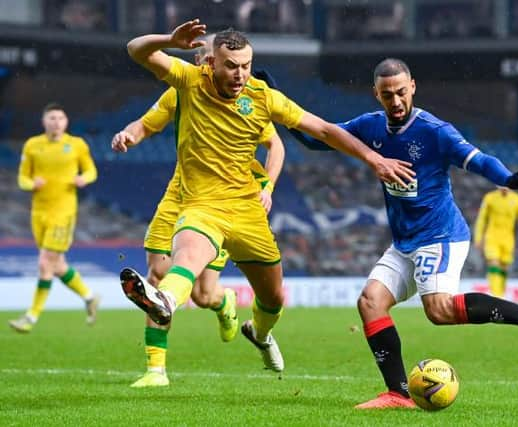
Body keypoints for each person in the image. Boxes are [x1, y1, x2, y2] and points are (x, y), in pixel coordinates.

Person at [120, 20, 413, 375]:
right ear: (210, 63)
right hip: (200, 205)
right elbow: (136, 49)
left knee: (273, 298)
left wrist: (373, 158)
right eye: (231, 65)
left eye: (245, 65)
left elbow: (322, 129)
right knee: (187, 256)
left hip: (247, 211)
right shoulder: (188, 80)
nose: (240, 73)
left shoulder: (262, 97)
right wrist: (169, 40)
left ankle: (259, 333)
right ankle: (163, 301)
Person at [292, 58, 518, 409]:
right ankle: (398, 394)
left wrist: (506, 179)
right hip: (405, 241)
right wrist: (279, 109)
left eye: (401, 92)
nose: (396, 101)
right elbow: (319, 138)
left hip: (440, 235)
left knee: (439, 310)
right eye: (387, 95)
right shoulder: (370, 127)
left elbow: (476, 158)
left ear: (412, 86)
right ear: (376, 94)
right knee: (370, 302)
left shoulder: (434, 130)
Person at [111, 35, 285, 387]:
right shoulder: (181, 89)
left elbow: (275, 143)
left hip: (221, 203)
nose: (204, 66)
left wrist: (267, 186)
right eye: (203, 60)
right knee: (158, 274)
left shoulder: (247, 101)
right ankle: (155, 370)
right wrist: (128, 135)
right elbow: (145, 124)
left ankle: (223, 303)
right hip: (178, 196)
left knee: (203, 295)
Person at [9, 103, 100, 333]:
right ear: (44, 121)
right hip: (39, 213)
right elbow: (22, 178)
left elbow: (91, 171)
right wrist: (32, 184)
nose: (56, 122)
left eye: (60, 118)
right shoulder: (32, 145)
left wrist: (84, 178)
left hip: (64, 212)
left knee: (44, 263)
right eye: (52, 118)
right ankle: (90, 297)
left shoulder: (76, 145)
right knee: (57, 265)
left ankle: (31, 317)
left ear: (66, 122)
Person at [474, 186, 518, 297]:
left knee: (504, 267)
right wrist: (478, 237)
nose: (505, 188)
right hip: (492, 237)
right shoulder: (489, 198)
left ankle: (501, 293)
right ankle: (495, 294)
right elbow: (482, 218)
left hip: (508, 239)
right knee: (494, 263)